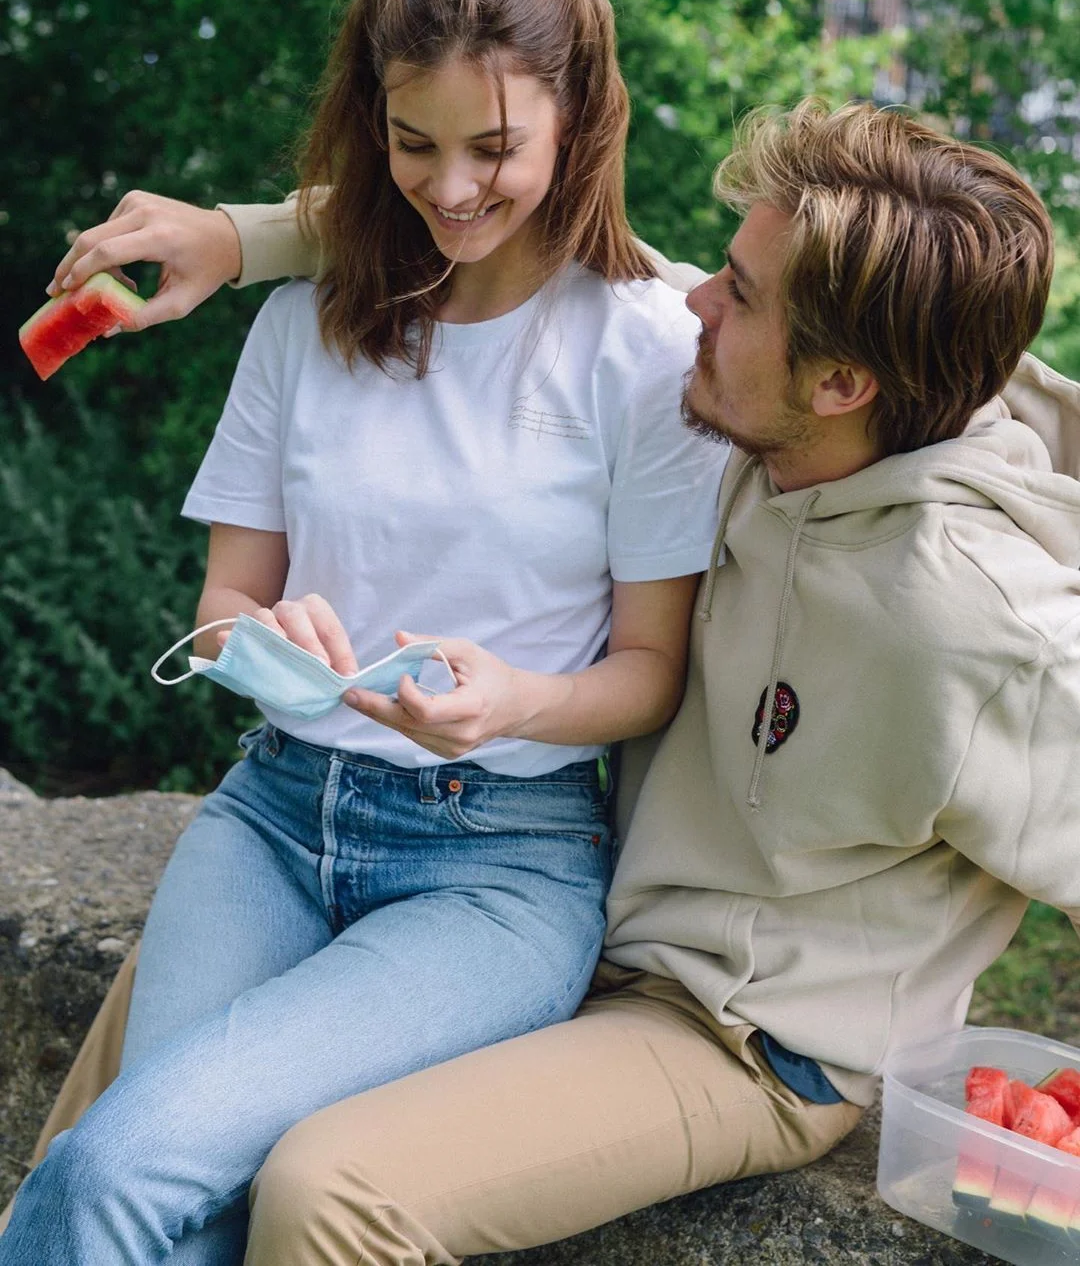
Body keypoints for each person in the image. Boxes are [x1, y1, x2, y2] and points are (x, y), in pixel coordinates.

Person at [6, 104, 1078, 1265]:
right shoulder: (754, 396)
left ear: (842, 384)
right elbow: (498, 227)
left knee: (325, 1187)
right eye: (727, 269)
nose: (693, 303)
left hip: (735, 1030)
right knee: (154, 1098)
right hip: (561, 904)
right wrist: (236, 236)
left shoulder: (984, 622)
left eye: (740, 293)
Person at [0, 0, 726, 1265]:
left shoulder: (644, 350)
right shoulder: (307, 320)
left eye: (494, 146)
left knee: (117, 1168)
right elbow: (226, 600)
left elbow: (650, 669)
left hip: (499, 866)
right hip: (273, 818)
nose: (451, 187)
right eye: (413, 142)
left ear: (581, 119)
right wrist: (267, 641)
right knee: (164, 1194)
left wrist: (519, 698)